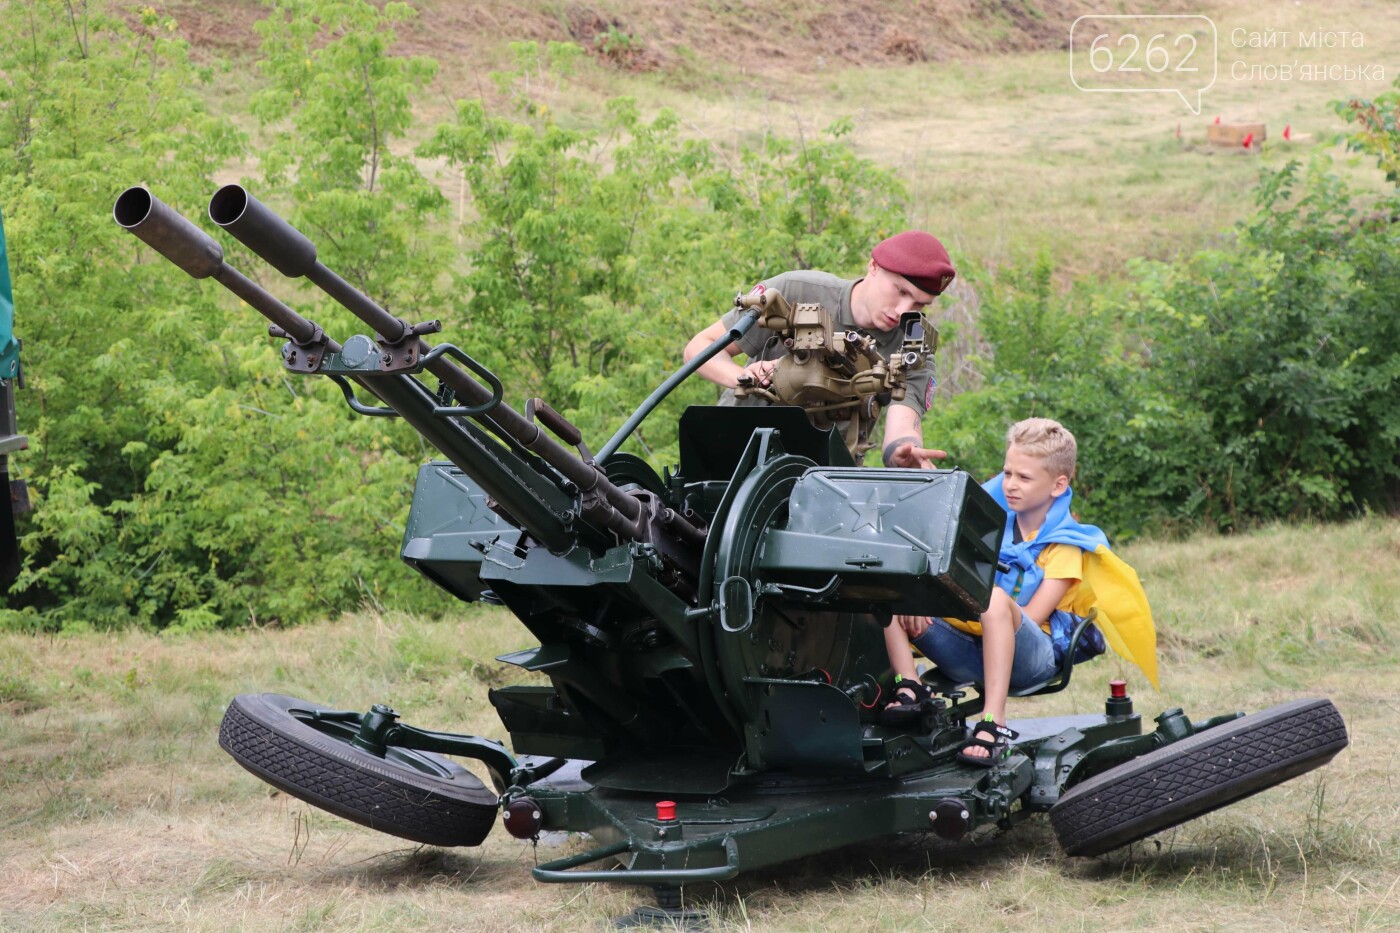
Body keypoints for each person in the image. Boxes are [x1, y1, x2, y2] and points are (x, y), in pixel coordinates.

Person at [882, 418, 1158, 766]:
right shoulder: (993, 523)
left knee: (994, 599)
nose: (1010, 485)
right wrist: (920, 601)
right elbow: (942, 528)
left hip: (1029, 658)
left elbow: (1029, 617)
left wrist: (951, 607)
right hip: (972, 649)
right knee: (888, 582)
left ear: (1058, 485)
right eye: (1007, 473)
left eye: (1024, 478)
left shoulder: (1065, 546)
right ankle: (910, 685)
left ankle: (993, 722)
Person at [682, 231, 955, 468]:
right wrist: (743, 377)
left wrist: (904, 452)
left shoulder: (912, 348)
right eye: (901, 291)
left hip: (820, 479)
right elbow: (699, 348)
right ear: (873, 266)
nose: (903, 311)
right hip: (732, 448)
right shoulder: (796, 291)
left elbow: (902, 428)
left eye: (919, 305)